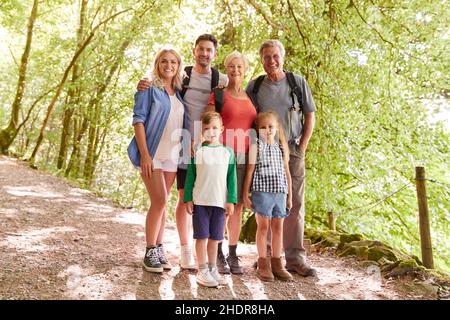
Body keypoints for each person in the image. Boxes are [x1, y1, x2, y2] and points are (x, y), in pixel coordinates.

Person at [138, 34, 228, 270]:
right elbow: (140, 118)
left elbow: (235, 83)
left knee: (172, 199)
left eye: (209, 50)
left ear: (214, 54)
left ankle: (158, 248)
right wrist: (144, 83)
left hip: (188, 150)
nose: (205, 54)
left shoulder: (202, 83)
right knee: (166, 200)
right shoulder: (164, 84)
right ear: (194, 51)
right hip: (162, 151)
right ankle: (162, 250)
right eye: (201, 49)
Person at [246, 40, 317, 277]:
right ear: (261, 60)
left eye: (275, 56)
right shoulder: (255, 87)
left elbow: (310, 115)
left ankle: (295, 259)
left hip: (292, 149)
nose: (271, 61)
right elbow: (245, 113)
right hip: (264, 150)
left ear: (283, 56)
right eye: (266, 57)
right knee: (265, 204)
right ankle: (266, 258)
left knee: (293, 203)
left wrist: (302, 146)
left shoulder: (297, 83)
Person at [127, 47, 189, 273]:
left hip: (172, 155)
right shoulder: (148, 88)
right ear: (157, 64)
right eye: (164, 61)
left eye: (173, 61)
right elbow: (138, 120)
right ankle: (149, 250)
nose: (169, 65)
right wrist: (145, 154)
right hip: (152, 154)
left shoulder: (179, 91)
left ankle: (159, 248)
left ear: (178, 65)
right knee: (160, 201)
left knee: (163, 203)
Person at [206, 51, 256, 274]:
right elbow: (207, 123)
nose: (236, 70)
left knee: (237, 207)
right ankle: (216, 251)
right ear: (226, 69)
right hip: (221, 157)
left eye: (240, 66)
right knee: (219, 206)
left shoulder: (251, 97)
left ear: (245, 70)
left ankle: (232, 253)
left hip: (244, 158)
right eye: (231, 66)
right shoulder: (218, 95)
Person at [184, 111, 237, 287]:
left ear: (221, 129)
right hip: (200, 202)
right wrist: (188, 198)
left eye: (214, 128)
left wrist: (231, 200)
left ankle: (213, 268)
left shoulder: (228, 153)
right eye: (206, 128)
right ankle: (202, 270)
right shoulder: (198, 152)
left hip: (219, 203)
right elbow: (190, 177)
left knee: (216, 238)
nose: (211, 131)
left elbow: (232, 178)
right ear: (202, 132)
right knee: (202, 236)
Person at [243, 111, 293, 282]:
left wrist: (290, 195)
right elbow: (249, 172)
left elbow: (287, 173)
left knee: (278, 227)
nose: (267, 130)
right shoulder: (256, 146)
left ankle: (277, 263)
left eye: (271, 126)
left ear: (277, 127)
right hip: (262, 192)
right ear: (257, 130)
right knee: (263, 227)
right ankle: (263, 263)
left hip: (280, 192)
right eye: (263, 127)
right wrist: (245, 194)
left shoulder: (281, 146)